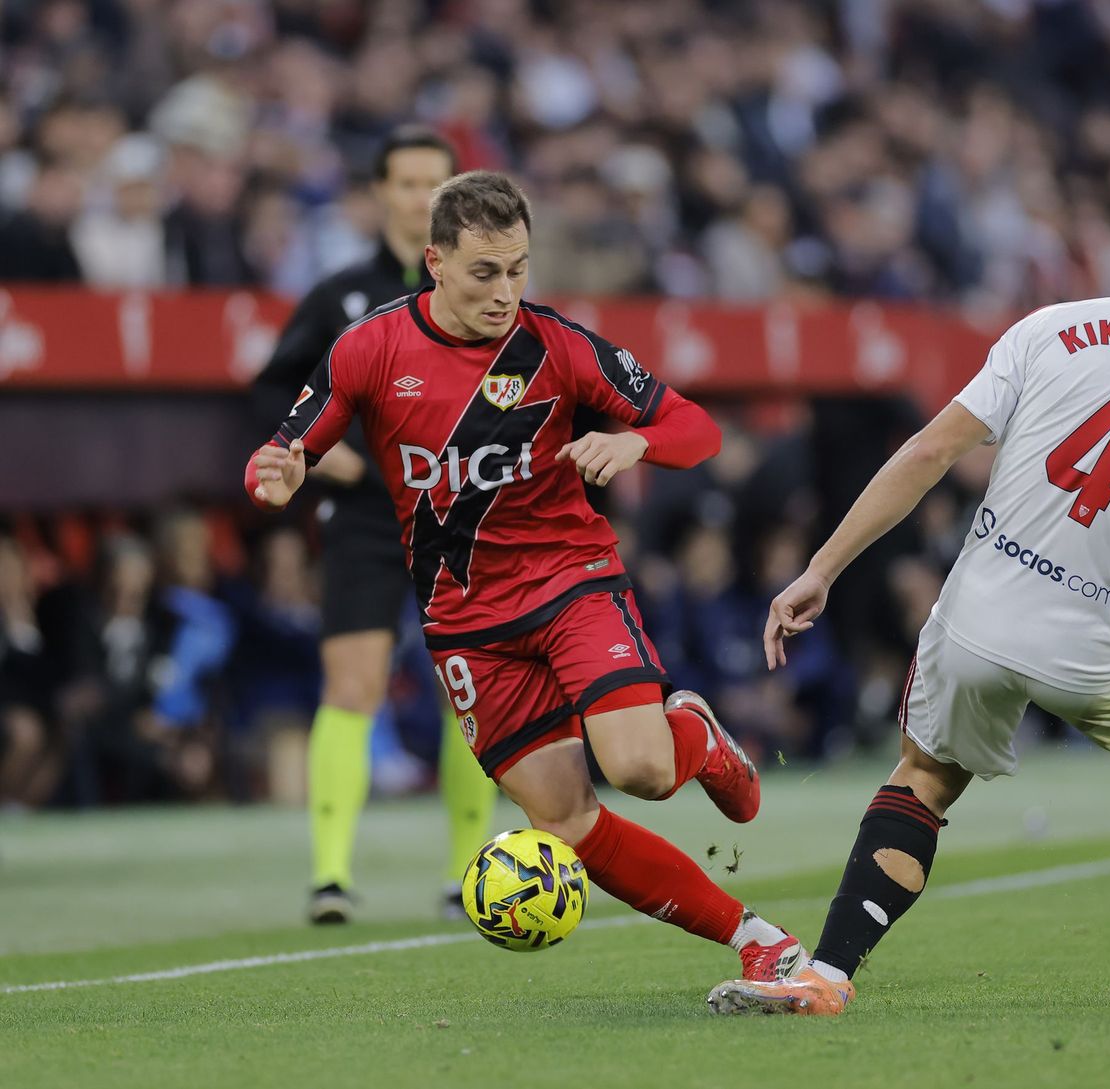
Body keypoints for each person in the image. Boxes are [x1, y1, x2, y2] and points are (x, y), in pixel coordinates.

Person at [707, 171, 1110, 1016]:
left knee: (923, 775)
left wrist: (821, 566)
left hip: (979, 619)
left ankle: (826, 972)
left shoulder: (1050, 328)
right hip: (1107, 644)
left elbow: (929, 454)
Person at [246, 170, 804, 982]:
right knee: (567, 820)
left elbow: (696, 425)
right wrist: (277, 475)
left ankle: (693, 738)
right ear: (434, 261)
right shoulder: (368, 348)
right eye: (484, 272)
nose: (506, 291)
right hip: (466, 622)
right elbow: (288, 446)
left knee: (641, 770)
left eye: (518, 269)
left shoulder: (558, 346)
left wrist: (635, 442)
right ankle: (759, 941)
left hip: (569, 583)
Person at [252, 127, 500, 923]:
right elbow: (272, 397)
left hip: (457, 515)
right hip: (364, 517)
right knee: (352, 683)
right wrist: (324, 455)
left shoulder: (482, 293)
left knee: (468, 688)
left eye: (438, 182)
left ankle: (467, 871)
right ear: (380, 194)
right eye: (407, 183)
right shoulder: (339, 297)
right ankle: (330, 877)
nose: (422, 197)